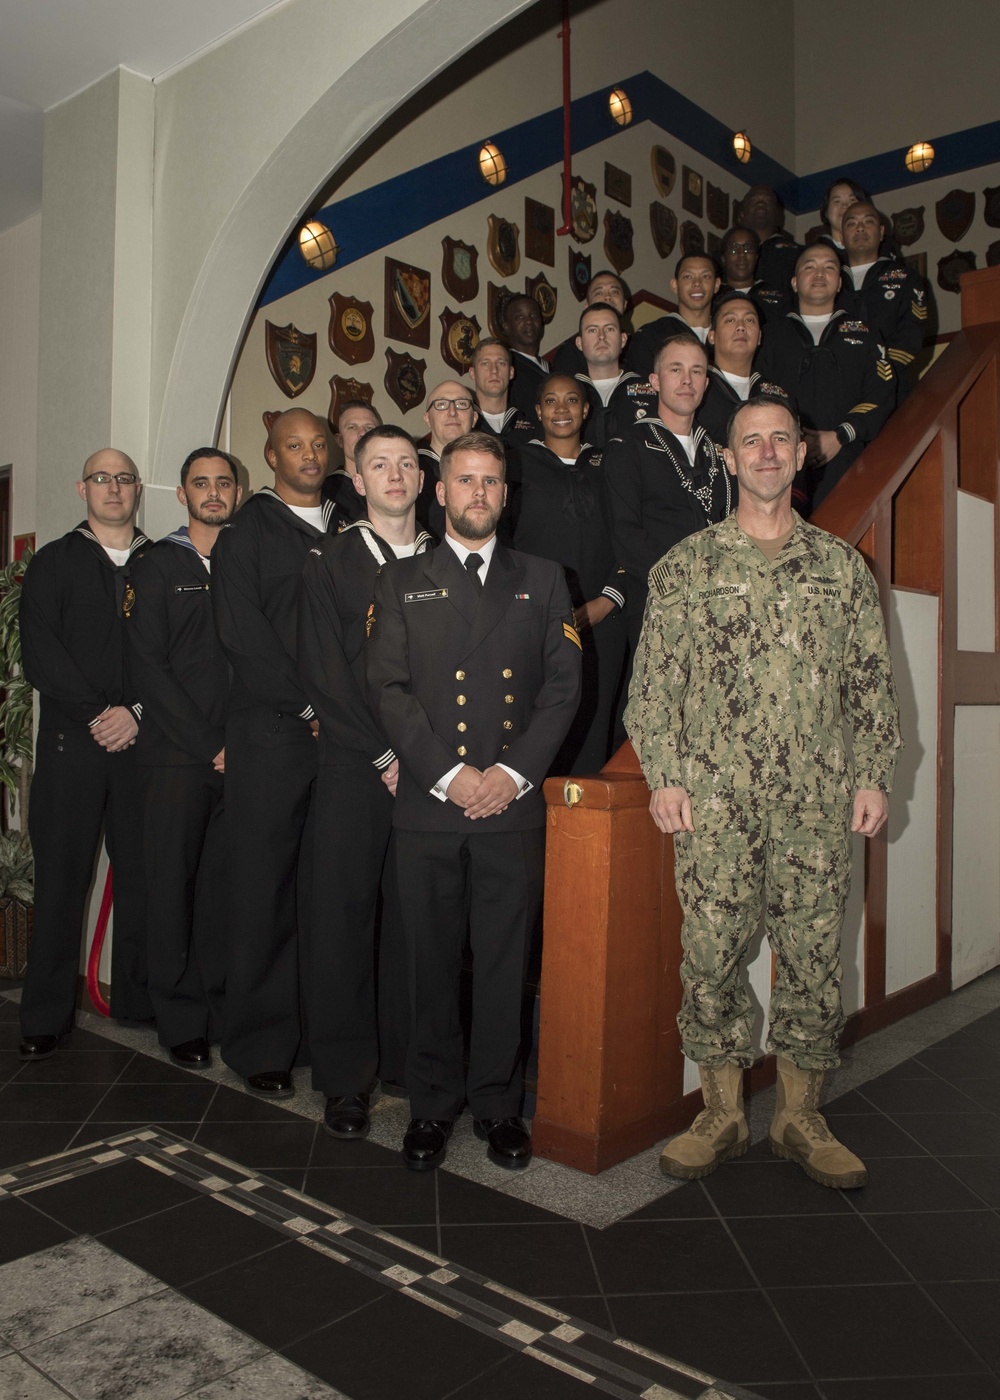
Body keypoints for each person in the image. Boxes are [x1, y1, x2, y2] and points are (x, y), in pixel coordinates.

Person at [625, 395, 901, 1190]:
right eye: (753, 440)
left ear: (801, 455)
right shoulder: (686, 567)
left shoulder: (842, 568)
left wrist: (872, 773)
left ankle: (799, 1116)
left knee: (813, 957)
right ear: (730, 457)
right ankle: (719, 1115)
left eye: (782, 439)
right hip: (718, 806)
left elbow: (870, 686)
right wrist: (666, 773)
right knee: (711, 955)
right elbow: (653, 689)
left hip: (818, 802)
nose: (769, 452)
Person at [365, 431, 581, 1172]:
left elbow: (563, 689)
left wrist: (513, 774)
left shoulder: (546, 579)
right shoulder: (400, 581)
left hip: (511, 808)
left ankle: (495, 1104)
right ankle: (431, 1106)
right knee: (428, 962)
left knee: (502, 962)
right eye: (466, 481)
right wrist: (450, 774)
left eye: (491, 482)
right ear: (440, 490)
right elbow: (387, 691)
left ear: (505, 494)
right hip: (430, 807)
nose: (479, 494)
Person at [299, 425, 433, 1137]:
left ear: (422, 478)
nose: (394, 474)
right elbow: (324, 672)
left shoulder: (447, 559)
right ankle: (346, 1079)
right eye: (379, 463)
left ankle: (416, 1064)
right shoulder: (330, 560)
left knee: (418, 921)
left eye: (406, 463)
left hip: (431, 772)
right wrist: (386, 757)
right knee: (345, 921)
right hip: (357, 766)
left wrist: (428, 759)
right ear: (355, 478)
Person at [212, 408, 337, 1097]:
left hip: (340, 741)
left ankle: (321, 1035)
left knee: (326, 892)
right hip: (270, 735)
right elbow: (243, 637)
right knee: (264, 890)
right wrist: (311, 705)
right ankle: (259, 1044)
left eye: (318, 443)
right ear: (271, 455)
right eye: (294, 445)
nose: (309, 454)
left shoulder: (348, 527)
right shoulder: (247, 532)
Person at [18, 450, 151, 1058]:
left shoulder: (161, 562)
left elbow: (181, 656)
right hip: (74, 746)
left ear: (137, 489)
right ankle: (45, 1017)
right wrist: (100, 714)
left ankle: (139, 1002)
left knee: (147, 882)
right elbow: (42, 655)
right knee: (62, 884)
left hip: (145, 748)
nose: (114, 488)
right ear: (82, 489)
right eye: (102, 478)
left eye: (124, 478)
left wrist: (137, 713)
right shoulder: (53, 562)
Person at [126, 448, 241, 1067]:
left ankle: (221, 1008)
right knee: (172, 888)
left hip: (243, 756)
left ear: (238, 492)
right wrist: (208, 745)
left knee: (223, 891)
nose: (213, 492)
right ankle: (180, 1020)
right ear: (182, 495)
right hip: (176, 758)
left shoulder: (245, 560)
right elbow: (149, 668)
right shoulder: (156, 564)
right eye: (202, 483)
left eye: (224, 482)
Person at [511, 374, 626, 773]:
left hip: (601, 621)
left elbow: (629, 538)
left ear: (586, 409)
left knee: (595, 732)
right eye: (551, 401)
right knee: (537, 728)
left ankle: (585, 833)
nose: (562, 409)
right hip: (534, 622)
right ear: (538, 410)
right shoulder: (516, 463)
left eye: (572, 400)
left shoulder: (610, 463)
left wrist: (605, 602)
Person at [606, 333, 735, 657]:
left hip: (721, 605)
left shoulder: (719, 453)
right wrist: (685, 581)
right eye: (675, 370)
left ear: (706, 383)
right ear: (655, 381)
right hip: (659, 607)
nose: (687, 380)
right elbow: (625, 535)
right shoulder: (628, 447)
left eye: (696, 371)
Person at [755, 243, 895, 510]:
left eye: (829, 267)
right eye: (810, 267)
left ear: (840, 282)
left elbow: (883, 395)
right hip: (780, 464)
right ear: (795, 282)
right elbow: (757, 394)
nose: (819, 273)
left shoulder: (866, 334)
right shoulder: (770, 336)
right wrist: (791, 440)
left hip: (849, 463)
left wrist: (841, 436)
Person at [840, 201, 927, 400]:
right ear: (842, 238)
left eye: (868, 222)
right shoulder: (829, 281)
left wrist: (881, 371)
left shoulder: (905, 278)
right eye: (851, 224)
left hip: (891, 386)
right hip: (838, 389)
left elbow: (912, 334)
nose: (860, 228)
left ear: (881, 233)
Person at [624, 255, 720, 379]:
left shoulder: (729, 335)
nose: (697, 283)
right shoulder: (651, 336)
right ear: (675, 285)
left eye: (705, 276)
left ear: (716, 284)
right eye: (688, 277)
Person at [571, 302, 652, 448]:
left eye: (609, 329)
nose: (601, 336)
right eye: (592, 330)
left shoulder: (650, 391)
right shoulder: (567, 393)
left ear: (623, 339)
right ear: (579, 343)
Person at [697, 291, 763, 450]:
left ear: (760, 336)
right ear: (712, 336)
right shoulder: (695, 389)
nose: (741, 327)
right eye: (730, 320)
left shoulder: (775, 395)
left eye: (749, 320)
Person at [416, 380, 478, 538]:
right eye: (441, 404)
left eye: (461, 404)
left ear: (475, 418)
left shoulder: (491, 469)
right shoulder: (411, 470)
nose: (452, 412)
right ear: (427, 418)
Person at [551, 269, 629, 376]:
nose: (607, 297)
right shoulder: (570, 353)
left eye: (614, 292)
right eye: (599, 293)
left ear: (624, 304)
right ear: (587, 307)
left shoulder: (639, 345)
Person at [466, 339, 536, 450]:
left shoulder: (531, 427)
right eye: (485, 363)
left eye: (501, 363)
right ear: (472, 373)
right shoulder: (464, 426)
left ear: (511, 372)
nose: (494, 370)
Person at [738, 184, 802, 300]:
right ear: (742, 215)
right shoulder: (726, 256)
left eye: (767, 201)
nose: (760, 204)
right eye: (754, 202)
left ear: (778, 214)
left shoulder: (797, 254)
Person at [717, 226, 788, 325]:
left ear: (756, 257)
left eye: (748, 248)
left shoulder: (778, 297)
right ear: (723, 258)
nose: (741, 254)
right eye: (734, 249)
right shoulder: (713, 297)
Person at [323, 399, 380, 522]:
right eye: (352, 427)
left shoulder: (395, 481)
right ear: (339, 440)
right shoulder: (327, 492)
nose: (362, 433)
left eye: (369, 427)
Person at [501, 294, 548, 420]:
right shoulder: (507, 369)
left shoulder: (552, 368)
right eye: (519, 317)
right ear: (507, 327)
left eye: (533, 315)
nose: (528, 321)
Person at [818, 177, 868, 260]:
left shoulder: (879, 249)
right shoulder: (814, 251)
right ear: (826, 212)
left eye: (852, 200)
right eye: (837, 201)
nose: (845, 206)